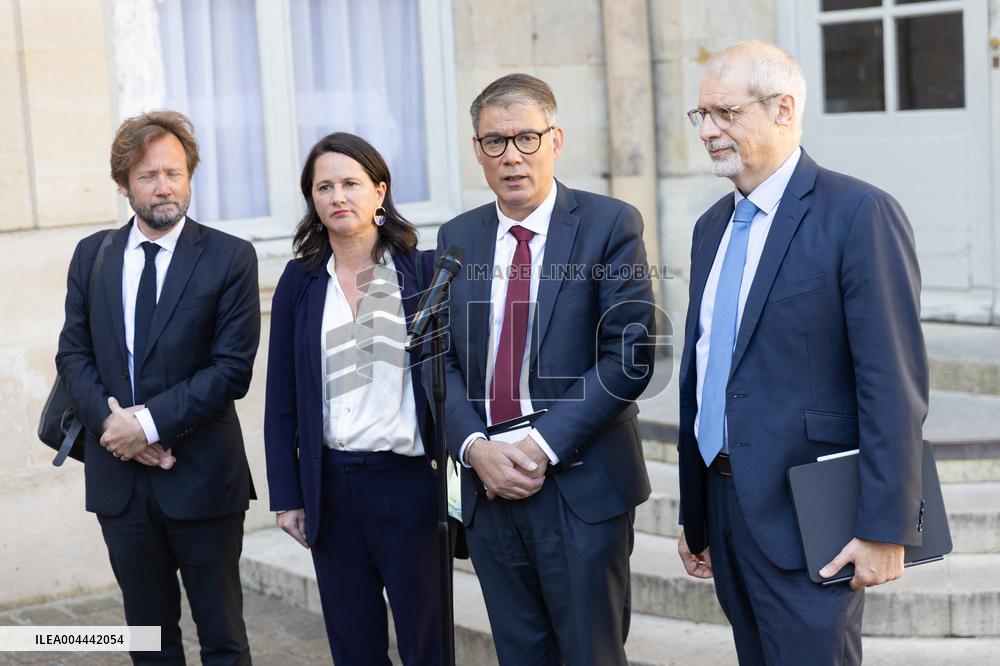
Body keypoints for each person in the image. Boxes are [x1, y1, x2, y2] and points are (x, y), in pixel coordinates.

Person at [675, 42, 928, 665]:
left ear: (783, 107)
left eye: (724, 113)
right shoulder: (711, 227)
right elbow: (707, 370)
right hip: (727, 507)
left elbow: (892, 384)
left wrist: (886, 526)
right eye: (700, 115)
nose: (707, 131)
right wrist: (697, 514)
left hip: (814, 516)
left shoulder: (859, 213)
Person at [437, 73, 655, 665]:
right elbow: (438, 359)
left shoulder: (610, 225)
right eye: (494, 142)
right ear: (477, 151)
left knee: (590, 653)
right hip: (487, 487)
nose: (512, 156)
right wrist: (474, 448)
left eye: (526, 138)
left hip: (578, 484)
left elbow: (629, 358)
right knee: (521, 653)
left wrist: (537, 447)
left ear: (556, 140)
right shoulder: (457, 237)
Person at [55, 110, 260, 664]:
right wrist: (114, 428)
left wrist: (144, 424)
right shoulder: (92, 255)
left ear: (190, 175)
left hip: (202, 478)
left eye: (174, 172)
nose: (164, 186)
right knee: (147, 641)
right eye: (147, 176)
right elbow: (73, 353)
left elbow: (231, 369)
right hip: (119, 484)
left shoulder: (230, 257)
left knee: (223, 638)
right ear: (124, 184)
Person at [263, 132, 440, 666]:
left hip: (409, 483)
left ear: (379, 191)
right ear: (312, 200)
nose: (338, 195)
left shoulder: (421, 272)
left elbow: (450, 383)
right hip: (331, 486)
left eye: (351, 183)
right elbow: (281, 397)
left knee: (427, 641)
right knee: (353, 644)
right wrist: (287, 494)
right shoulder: (300, 280)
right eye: (324, 186)